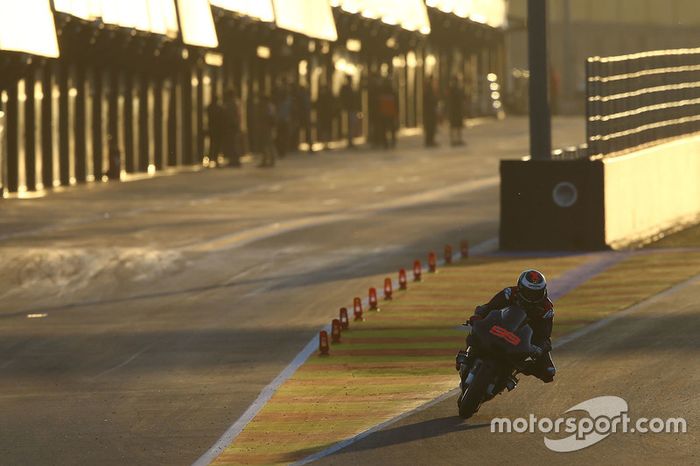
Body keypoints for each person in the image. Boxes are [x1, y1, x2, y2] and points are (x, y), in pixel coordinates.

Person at [455, 269, 556, 383]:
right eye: (529, 293)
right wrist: (478, 316)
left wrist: (539, 348)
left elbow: (545, 336)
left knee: (549, 372)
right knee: (476, 327)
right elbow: (488, 307)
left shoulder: (546, 309)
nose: (532, 297)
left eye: (536, 293)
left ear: (543, 291)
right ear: (520, 288)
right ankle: (467, 356)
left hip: (525, 339)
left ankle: (515, 371)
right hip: (501, 327)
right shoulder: (510, 293)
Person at [222, 88, 242, 167]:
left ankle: (234, 161)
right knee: (233, 143)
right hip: (234, 126)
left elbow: (230, 115)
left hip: (232, 126)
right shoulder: (236, 102)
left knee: (232, 143)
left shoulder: (232, 103)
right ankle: (234, 160)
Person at [256, 94, 277, 168]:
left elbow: (271, 118)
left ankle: (271, 160)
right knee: (265, 144)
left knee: (269, 144)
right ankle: (265, 160)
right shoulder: (267, 106)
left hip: (268, 128)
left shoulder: (268, 107)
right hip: (265, 128)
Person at [339, 75, 359, 148]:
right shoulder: (346, 88)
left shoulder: (350, 88)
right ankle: (349, 141)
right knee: (349, 125)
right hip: (348, 109)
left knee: (352, 125)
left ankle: (350, 140)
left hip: (351, 109)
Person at [377, 78, 398, 149]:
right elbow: (396, 103)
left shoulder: (381, 92)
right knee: (391, 128)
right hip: (389, 112)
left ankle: (386, 142)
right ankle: (390, 142)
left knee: (385, 128)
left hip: (384, 113)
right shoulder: (392, 92)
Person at [316, 84, 335, 150]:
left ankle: (326, 143)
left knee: (326, 129)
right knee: (325, 130)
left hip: (326, 116)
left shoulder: (325, 97)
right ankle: (325, 143)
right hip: (324, 116)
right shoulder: (323, 97)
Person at [448, 76, 465, 146]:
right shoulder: (453, 90)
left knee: (457, 126)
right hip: (454, 111)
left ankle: (457, 140)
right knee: (454, 126)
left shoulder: (457, 89)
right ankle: (454, 140)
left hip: (457, 111)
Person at [207, 96, 225, 164]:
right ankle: (215, 160)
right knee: (217, 145)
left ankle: (210, 160)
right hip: (218, 129)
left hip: (212, 129)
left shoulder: (209, 107)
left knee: (212, 145)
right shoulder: (219, 108)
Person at [423, 75, 439, 147]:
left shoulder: (430, 90)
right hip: (429, 113)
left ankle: (430, 140)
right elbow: (431, 101)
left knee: (431, 127)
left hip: (430, 112)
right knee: (430, 127)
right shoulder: (429, 90)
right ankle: (429, 141)